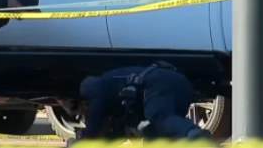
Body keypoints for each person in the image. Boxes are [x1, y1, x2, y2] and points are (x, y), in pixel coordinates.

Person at [76, 61, 213, 142]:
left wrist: (84, 141)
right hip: (180, 83)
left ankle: (193, 133)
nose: (83, 113)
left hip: (159, 82)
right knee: (154, 128)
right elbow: (121, 131)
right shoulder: (114, 88)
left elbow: (95, 119)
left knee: (157, 115)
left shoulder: (98, 86)